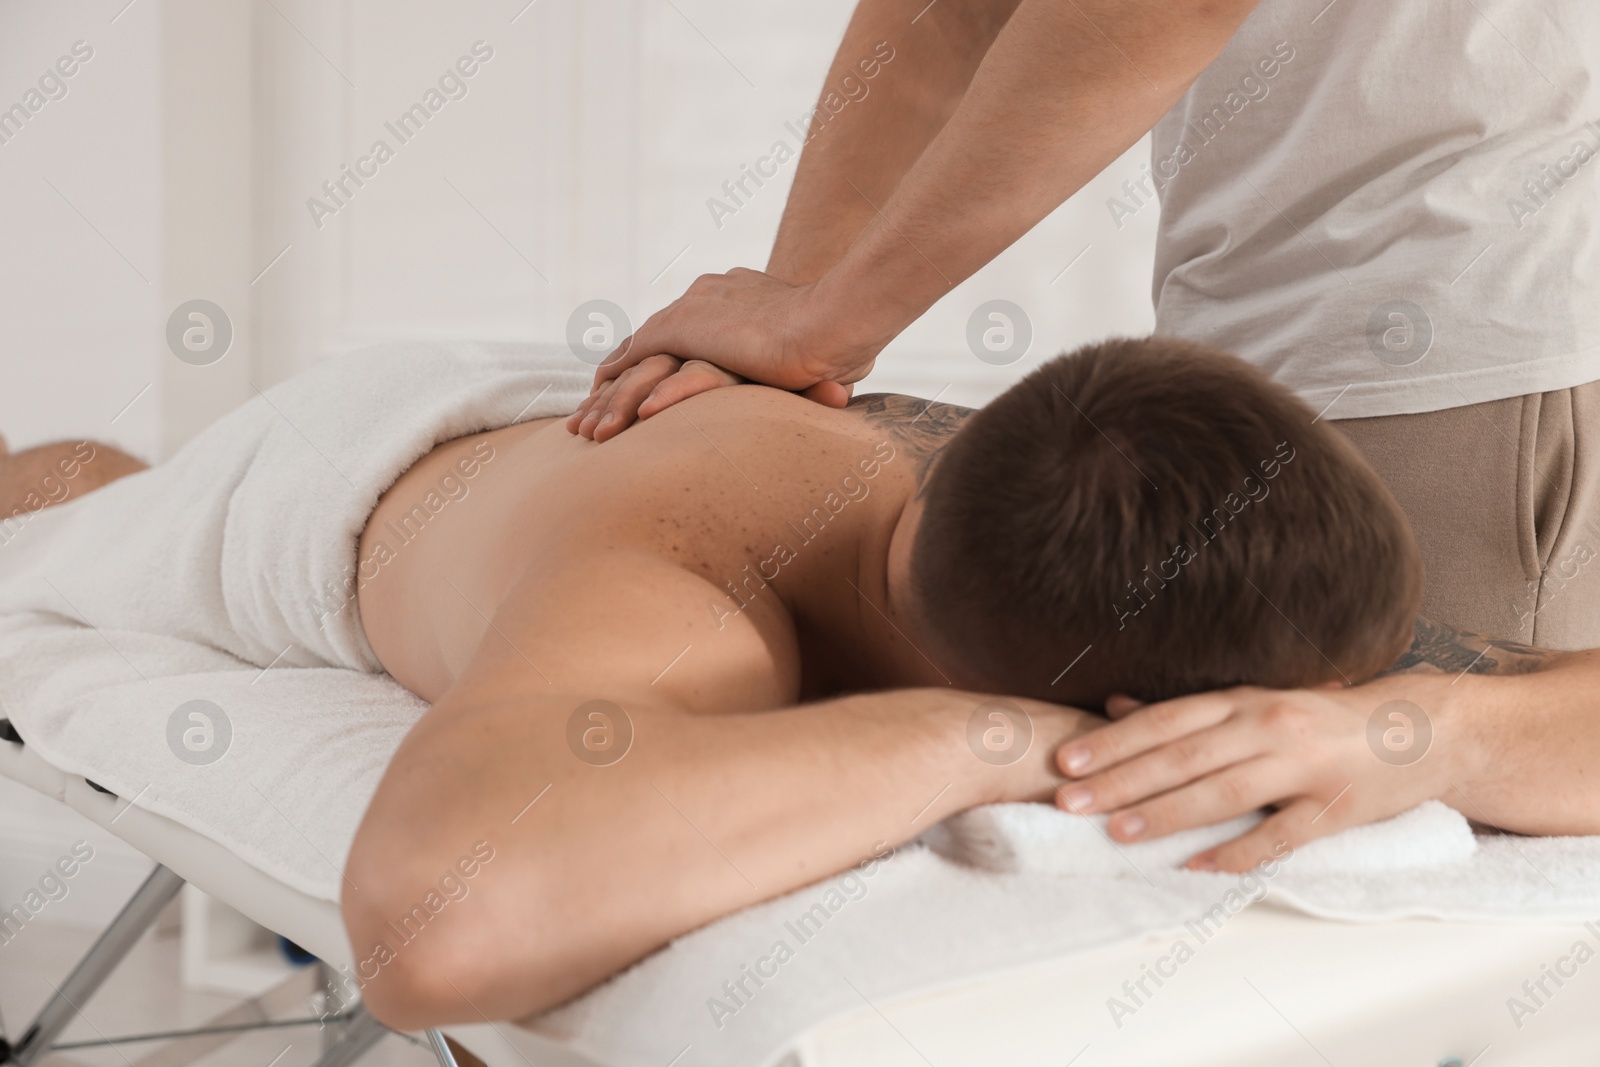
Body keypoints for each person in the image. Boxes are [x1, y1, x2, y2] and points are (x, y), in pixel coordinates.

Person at [3, 336, 1454, 1029]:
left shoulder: (1038, 491)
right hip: (308, 488)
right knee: (65, 509)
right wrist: (987, 738)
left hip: (585, 417)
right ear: (1117, 718)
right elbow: (434, 926)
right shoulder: (683, 616)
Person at [571, 0, 1600, 880]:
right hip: (1249, 359)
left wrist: (821, 322)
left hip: (1436, 367)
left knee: (1349, 912)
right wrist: (797, 339)